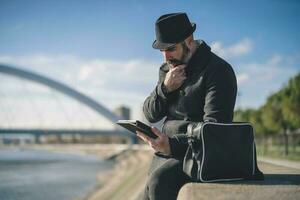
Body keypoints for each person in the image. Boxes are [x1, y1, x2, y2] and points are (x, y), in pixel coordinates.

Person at [136, 12, 237, 200]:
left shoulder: (218, 71)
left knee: (160, 182)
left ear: (189, 41)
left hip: (198, 157)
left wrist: (172, 146)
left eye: (170, 48)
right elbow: (150, 114)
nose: (166, 56)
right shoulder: (168, 70)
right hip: (165, 155)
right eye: (162, 51)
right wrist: (165, 88)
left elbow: (215, 131)